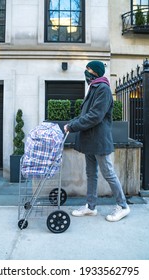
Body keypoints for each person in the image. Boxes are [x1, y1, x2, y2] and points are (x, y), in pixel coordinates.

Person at [64, 60, 130, 222]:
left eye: (88, 70)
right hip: (90, 140)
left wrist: (72, 127)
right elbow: (85, 114)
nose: (86, 73)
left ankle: (123, 206)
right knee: (91, 174)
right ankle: (91, 206)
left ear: (95, 72)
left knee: (108, 173)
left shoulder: (103, 89)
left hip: (99, 139)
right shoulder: (94, 88)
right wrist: (72, 123)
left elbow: (95, 116)